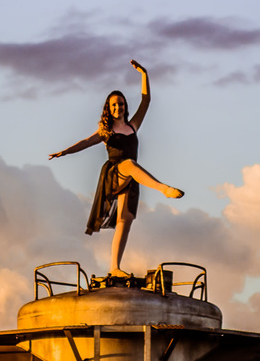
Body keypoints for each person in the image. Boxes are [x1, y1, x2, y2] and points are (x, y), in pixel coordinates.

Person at [49, 59, 183, 277]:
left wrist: (144, 74)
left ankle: (114, 268)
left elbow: (146, 100)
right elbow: (85, 142)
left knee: (124, 221)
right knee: (129, 164)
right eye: (113, 105)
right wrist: (64, 152)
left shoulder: (133, 125)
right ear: (108, 109)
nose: (117, 107)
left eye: (120, 103)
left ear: (124, 106)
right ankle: (164, 189)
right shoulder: (106, 131)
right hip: (114, 173)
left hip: (133, 177)